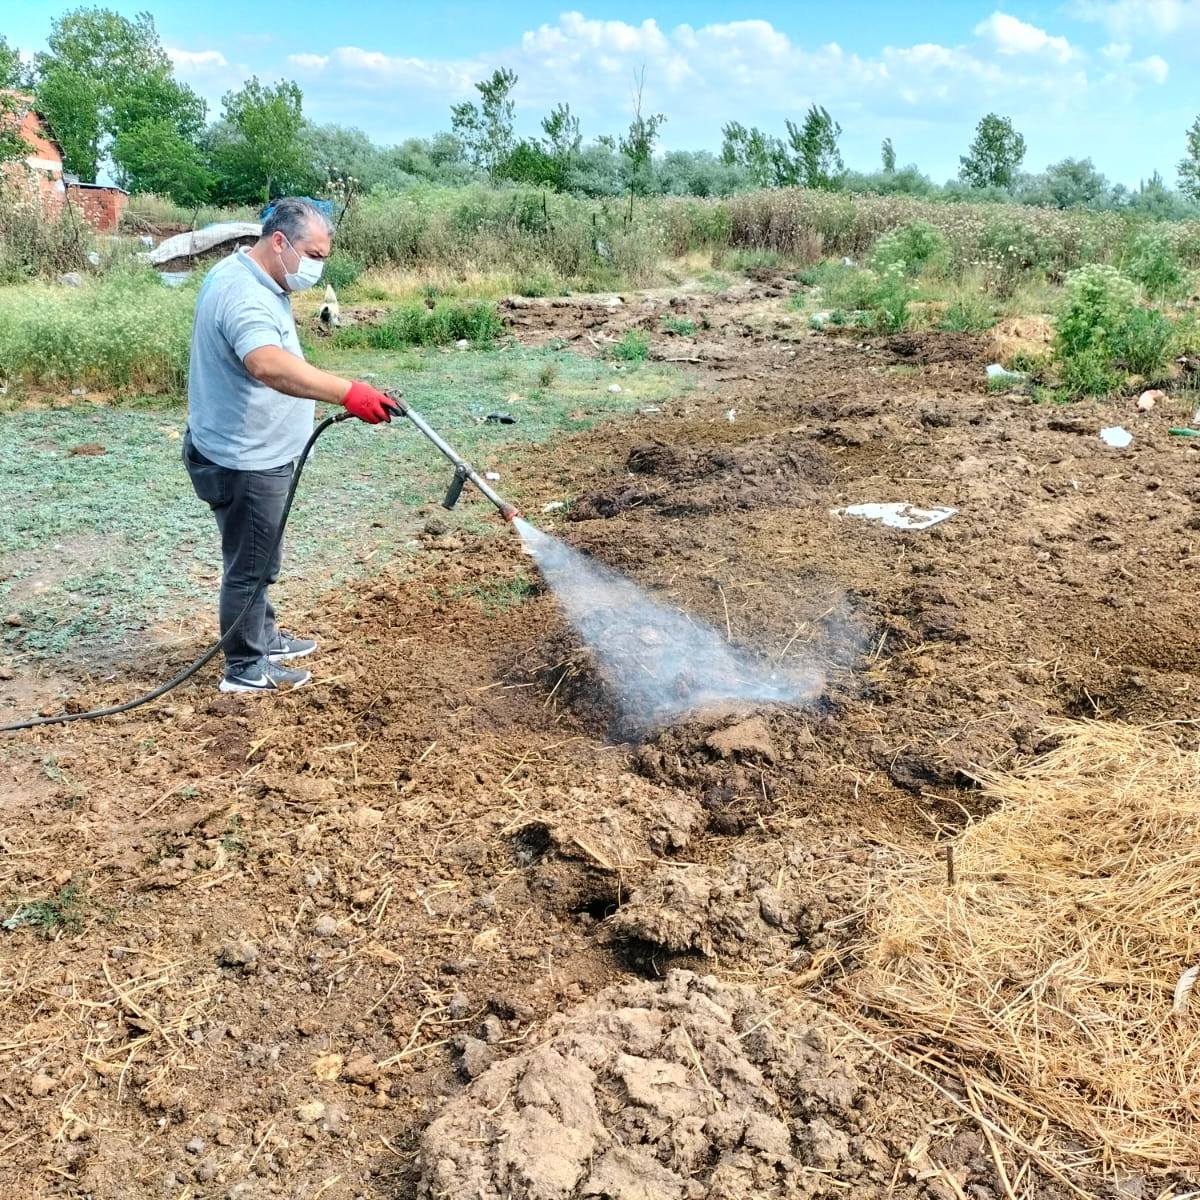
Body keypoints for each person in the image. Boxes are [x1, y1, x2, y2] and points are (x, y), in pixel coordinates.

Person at [183, 196, 398, 694]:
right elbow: (266, 363)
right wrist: (348, 392)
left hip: (252, 449)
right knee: (251, 565)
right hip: (245, 458)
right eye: (315, 254)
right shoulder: (244, 295)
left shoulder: (251, 274)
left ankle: (265, 635)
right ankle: (245, 668)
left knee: (260, 554)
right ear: (279, 242)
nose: (318, 267)